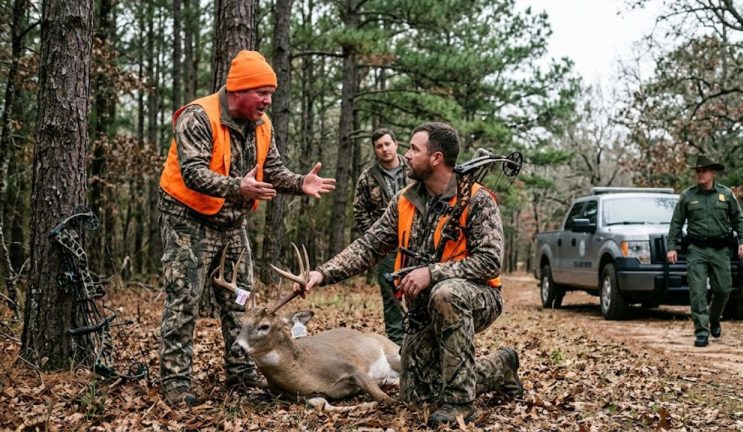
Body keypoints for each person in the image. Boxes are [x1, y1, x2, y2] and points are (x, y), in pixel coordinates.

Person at [299, 122, 523, 427]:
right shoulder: (405, 201)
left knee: (448, 293)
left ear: (436, 158)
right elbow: (368, 246)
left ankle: (461, 404)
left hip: (477, 297)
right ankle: (502, 365)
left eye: (414, 149)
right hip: (424, 308)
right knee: (416, 393)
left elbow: (490, 261)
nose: (405, 154)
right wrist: (322, 274)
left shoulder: (477, 199)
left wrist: (432, 273)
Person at [157, 50, 336, 406]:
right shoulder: (198, 117)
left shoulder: (262, 124)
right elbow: (193, 173)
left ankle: (240, 375)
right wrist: (237, 187)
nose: (269, 100)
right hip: (188, 223)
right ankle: (176, 383)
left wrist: (300, 182)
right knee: (184, 301)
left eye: (271, 93)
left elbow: (273, 171)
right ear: (239, 90)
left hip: (231, 226)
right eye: (263, 92)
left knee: (240, 301)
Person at [667, 154, 743, 348]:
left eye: (704, 170)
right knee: (698, 291)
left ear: (712, 173)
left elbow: (739, 219)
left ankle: (714, 318)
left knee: (723, 289)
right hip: (697, 250)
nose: (700, 174)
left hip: (720, 249)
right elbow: (676, 223)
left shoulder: (726, 195)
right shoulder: (688, 196)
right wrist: (671, 247)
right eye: (698, 171)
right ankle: (701, 332)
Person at [352, 128, 412, 345]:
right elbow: (360, 211)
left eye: (388, 144)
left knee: (420, 294)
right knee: (392, 298)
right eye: (379, 146)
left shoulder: (414, 168)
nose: (385, 149)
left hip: (416, 243)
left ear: (396, 144)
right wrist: (376, 238)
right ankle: (398, 346)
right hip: (386, 248)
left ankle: (421, 342)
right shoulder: (368, 177)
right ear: (375, 150)